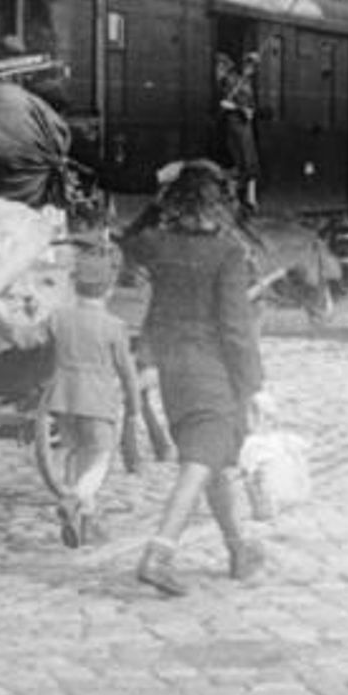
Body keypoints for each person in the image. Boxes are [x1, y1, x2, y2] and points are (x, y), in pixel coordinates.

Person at [120, 160, 269, 596]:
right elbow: (236, 328)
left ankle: (237, 548)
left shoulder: (157, 244)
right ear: (218, 204)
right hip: (212, 370)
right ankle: (159, 553)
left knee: (211, 461)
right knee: (199, 462)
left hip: (173, 369)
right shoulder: (228, 252)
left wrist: (157, 201)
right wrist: (255, 385)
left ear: (176, 202)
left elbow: (128, 239)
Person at [0, 243, 143, 548]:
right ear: (108, 290)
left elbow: (23, 339)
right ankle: (75, 499)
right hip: (97, 401)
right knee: (100, 457)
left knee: (74, 453)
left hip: (63, 400)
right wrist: (134, 408)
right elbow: (127, 373)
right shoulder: (114, 327)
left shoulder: (59, 317)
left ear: (74, 285)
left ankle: (85, 523)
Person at [215, 51, 261, 211]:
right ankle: (237, 199)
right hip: (231, 125)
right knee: (236, 160)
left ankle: (251, 200)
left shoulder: (241, 82)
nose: (251, 69)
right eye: (249, 65)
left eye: (253, 66)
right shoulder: (229, 81)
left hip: (242, 126)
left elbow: (249, 109)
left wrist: (235, 107)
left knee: (248, 160)